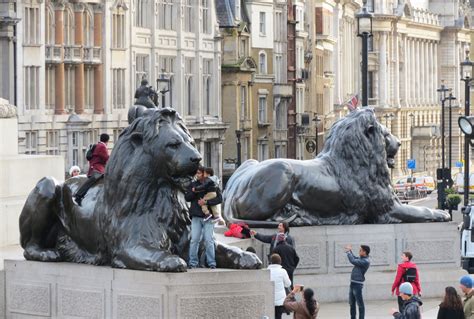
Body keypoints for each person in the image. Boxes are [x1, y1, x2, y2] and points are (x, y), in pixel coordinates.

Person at [185, 166, 222, 269]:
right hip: (196, 216)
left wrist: (206, 202)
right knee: (194, 240)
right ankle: (193, 263)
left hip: (209, 217)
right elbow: (187, 197)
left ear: (204, 174)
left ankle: (211, 263)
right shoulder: (193, 184)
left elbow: (219, 198)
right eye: (197, 173)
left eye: (200, 173)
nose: (198, 175)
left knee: (209, 240)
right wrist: (194, 191)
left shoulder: (212, 183)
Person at [74, 133, 110, 206]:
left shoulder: (99, 145)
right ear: (107, 140)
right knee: (91, 181)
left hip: (97, 167)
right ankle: (78, 196)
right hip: (97, 169)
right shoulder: (102, 146)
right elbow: (106, 158)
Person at [345, 244, 371, 319]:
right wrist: (349, 251)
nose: (359, 251)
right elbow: (354, 258)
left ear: (364, 252)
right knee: (352, 303)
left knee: (360, 304)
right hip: (352, 283)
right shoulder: (361, 259)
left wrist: (348, 252)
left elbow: (353, 260)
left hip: (358, 285)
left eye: (360, 250)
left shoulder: (366, 261)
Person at [268, 253, 291, 319]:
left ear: (271, 261)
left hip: (270, 298)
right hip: (280, 300)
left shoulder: (267, 271)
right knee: (278, 316)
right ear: (280, 262)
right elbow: (288, 284)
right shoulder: (283, 271)